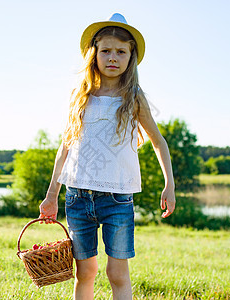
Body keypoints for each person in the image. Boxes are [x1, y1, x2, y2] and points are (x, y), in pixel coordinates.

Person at [39, 13, 176, 300]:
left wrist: (169, 185)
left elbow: (158, 142)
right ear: (94, 53)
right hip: (77, 196)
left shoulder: (134, 98)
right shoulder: (81, 95)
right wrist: (52, 195)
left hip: (117, 197)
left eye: (121, 51)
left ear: (131, 57)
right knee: (85, 272)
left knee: (117, 273)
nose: (113, 57)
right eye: (106, 51)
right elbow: (65, 147)